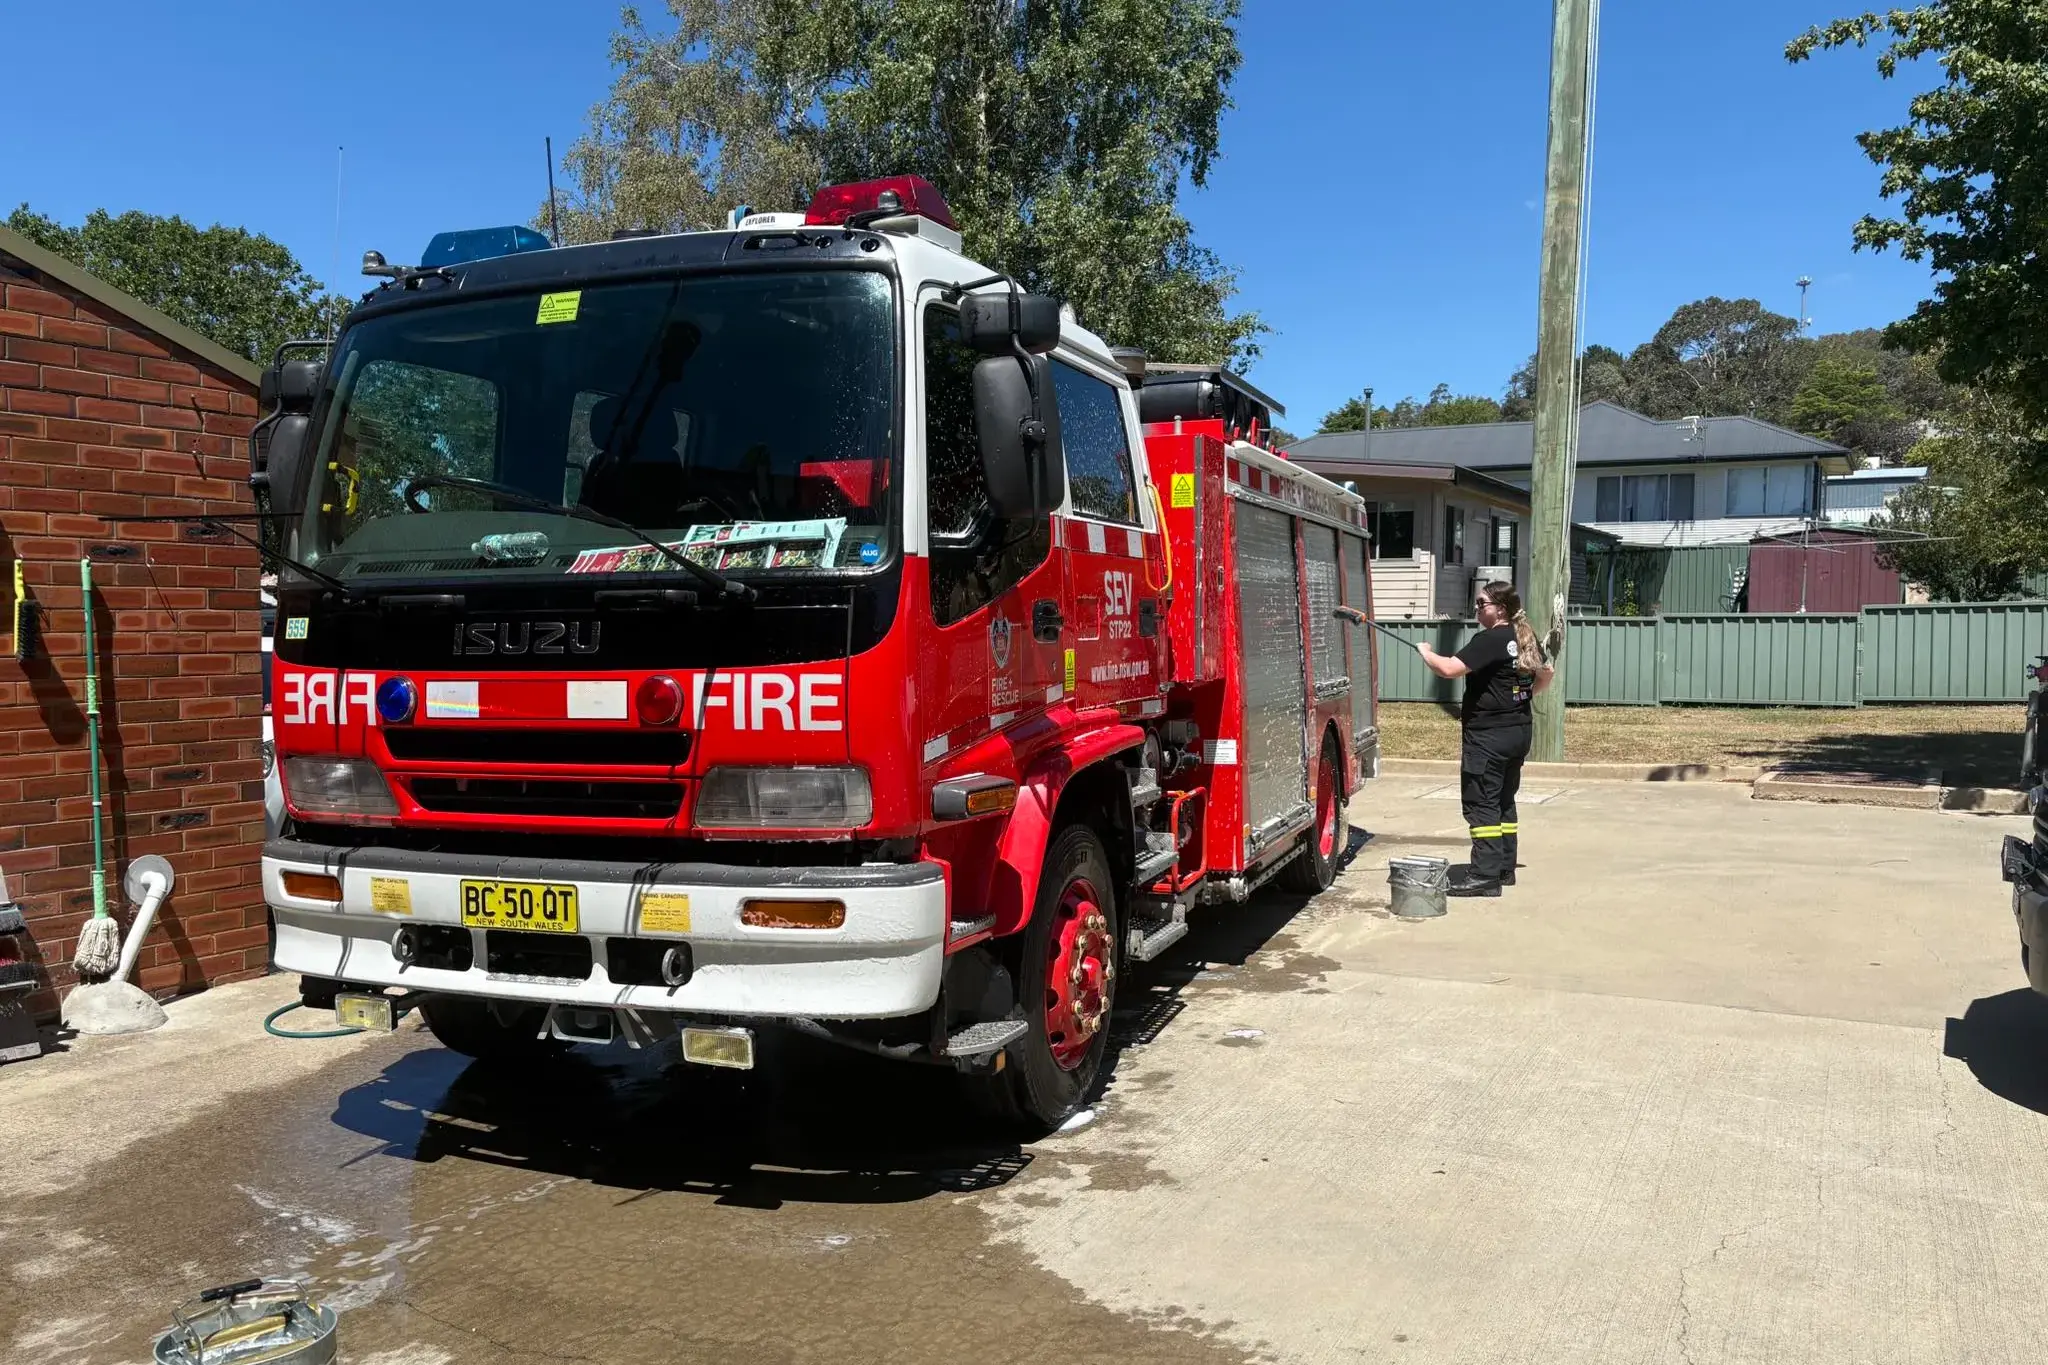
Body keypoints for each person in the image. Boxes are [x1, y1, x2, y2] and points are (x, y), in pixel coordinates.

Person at [1416, 580, 1555, 897]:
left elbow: (1450, 669)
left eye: (1482, 604)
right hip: (1518, 733)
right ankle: (1504, 868)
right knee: (1504, 801)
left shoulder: (1489, 640)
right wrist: (1523, 696)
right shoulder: (1525, 637)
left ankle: (1484, 876)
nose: (1477, 608)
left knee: (1482, 804)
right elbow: (1547, 673)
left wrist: (1425, 652)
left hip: (1488, 738)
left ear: (1500, 609)